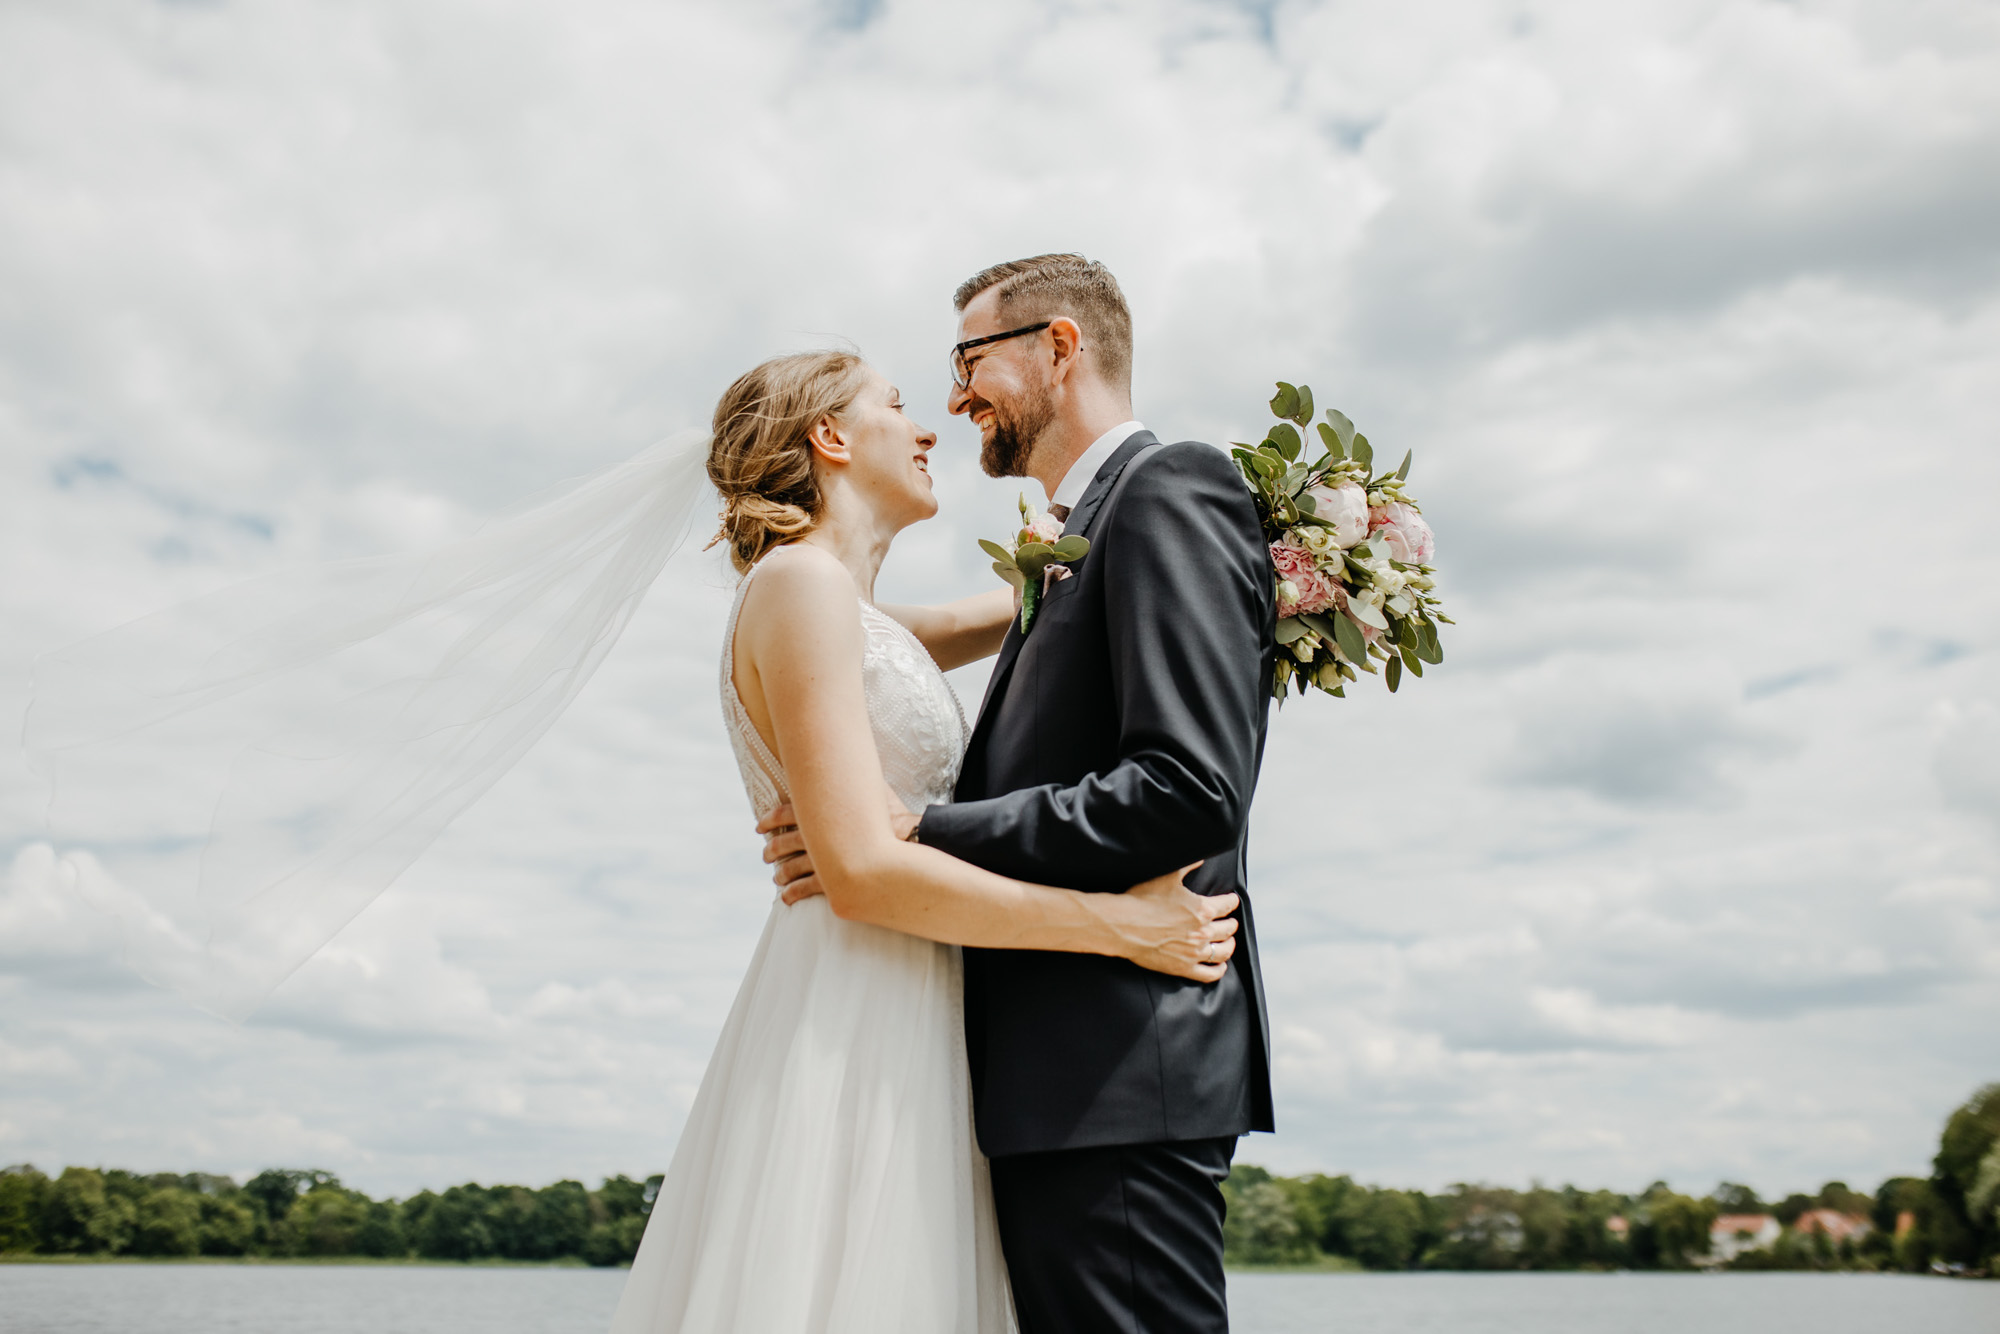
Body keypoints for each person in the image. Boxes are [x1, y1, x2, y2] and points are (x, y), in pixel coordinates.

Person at [609, 346, 1243, 1334]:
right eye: (897, 405)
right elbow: (863, 872)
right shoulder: (800, 585)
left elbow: (998, 613)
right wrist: (1123, 927)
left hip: (923, 989)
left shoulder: (850, 609)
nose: (925, 428)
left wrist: (1235, 546)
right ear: (829, 436)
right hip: (862, 990)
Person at [763, 255, 1276, 1334]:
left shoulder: (1168, 486)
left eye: (968, 362)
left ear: (1058, 347)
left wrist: (919, 832)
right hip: (1043, 1077)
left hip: (1117, 1066)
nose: (953, 401)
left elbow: (1186, 789)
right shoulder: (1068, 546)